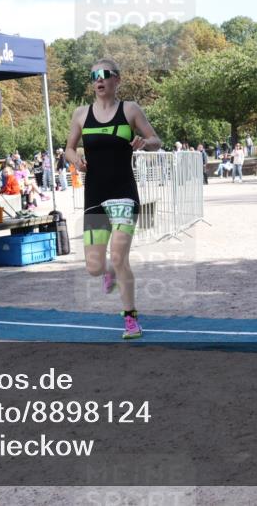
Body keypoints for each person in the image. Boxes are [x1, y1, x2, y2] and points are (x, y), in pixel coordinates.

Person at [65, 58, 161, 340]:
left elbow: (157, 140)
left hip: (123, 193)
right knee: (94, 267)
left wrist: (145, 142)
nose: (99, 79)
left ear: (117, 79)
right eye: (94, 75)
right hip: (95, 194)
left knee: (119, 256)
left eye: (105, 74)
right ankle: (108, 271)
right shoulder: (81, 114)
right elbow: (68, 149)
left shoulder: (130, 109)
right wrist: (76, 160)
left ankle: (131, 318)